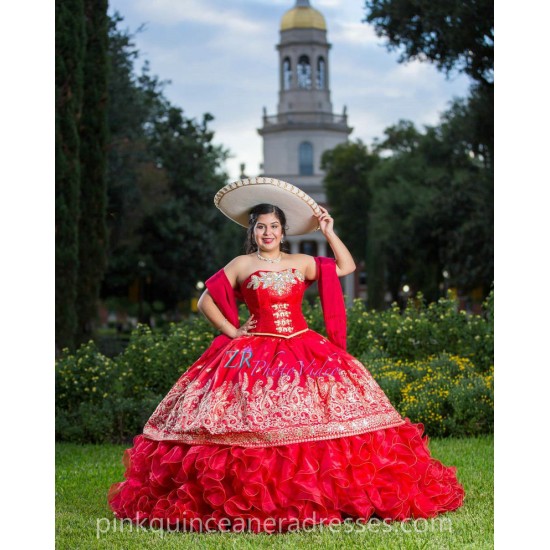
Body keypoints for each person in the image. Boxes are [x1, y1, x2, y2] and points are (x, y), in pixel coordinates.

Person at [108, 177, 464, 533]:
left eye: (274, 226)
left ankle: (326, 493)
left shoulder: (302, 261)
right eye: (261, 226)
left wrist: (329, 231)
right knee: (251, 418)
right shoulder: (241, 264)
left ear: (283, 230)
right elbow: (206, 299)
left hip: (303, 344)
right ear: (253, 230)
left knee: (326, 413)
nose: (268, 232)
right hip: (254, 349)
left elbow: (347, 267)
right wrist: (232, 332)